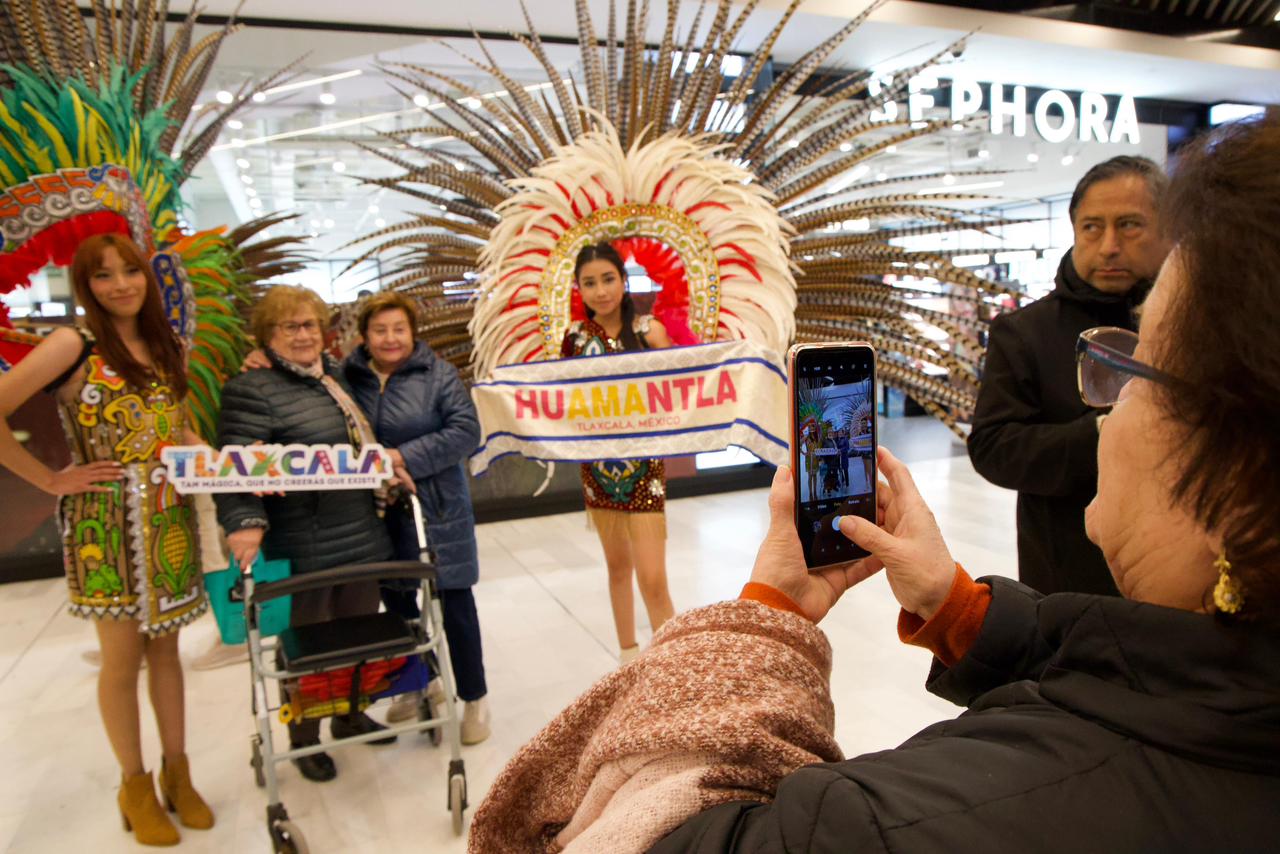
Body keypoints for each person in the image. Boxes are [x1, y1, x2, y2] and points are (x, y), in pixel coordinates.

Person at [467, 115, 1280, 852]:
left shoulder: (904, 824)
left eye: (1135, 368)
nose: (1107, 404)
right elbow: (1137, 663)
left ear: (1243, 482)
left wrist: (762, 622)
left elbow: (643, 833)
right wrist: (959, 607)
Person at [0, 234, 213, 846]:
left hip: (169, 519)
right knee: (122, 660)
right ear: (83, 286)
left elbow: (181, 428)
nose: (120, 285)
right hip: (104, 526)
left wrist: (228, 466)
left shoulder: (164, 343)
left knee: (168, 654)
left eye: (130, 272)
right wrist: (50, 479)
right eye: (102, 276)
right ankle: (134, 784)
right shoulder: (73, 345)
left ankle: (179, 773)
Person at [215, 285, 396, 784]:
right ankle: (305, 736)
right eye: (289, 327)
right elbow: (235, 467)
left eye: (310, 325)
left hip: (360, 532)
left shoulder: (334, 377)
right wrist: (242, 523)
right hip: (302, 540)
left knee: (358, 633)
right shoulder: (251, 389)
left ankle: (350, 713)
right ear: (267, 337)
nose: (302, 335)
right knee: (308, 645)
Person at [968, 155, 1171, 596]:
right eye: (1092, 227)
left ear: (1168, 230)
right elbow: (992, 447)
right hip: (1071, 583)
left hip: (1187, 587)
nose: (1109, 246)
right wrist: (1105, 432)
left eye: (1130, 225)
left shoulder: (1200, 326)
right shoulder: (1024, 332)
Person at [342, 291, 492, 745]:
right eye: (380, 330)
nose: (390, 339)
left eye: (398, 329)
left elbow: (466, 431)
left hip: (437, 509)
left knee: (455, 606)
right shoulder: (347, 379)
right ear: (365, 336)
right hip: (377, 513)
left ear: (413, 332)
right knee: (400, 606)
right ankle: (422, 684)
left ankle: (474, 699)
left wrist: (400, 456)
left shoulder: (438, 376)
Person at [561, 242, 675, 663]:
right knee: (617, 569)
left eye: (608, 279)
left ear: (624, 281)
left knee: (653, 577)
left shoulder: (648, 330)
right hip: (597, 468)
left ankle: (668, 666)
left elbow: (679, 390)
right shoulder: (574, 339)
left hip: (645, 466)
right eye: (589, 282)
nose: (601, 290)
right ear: (579, 288)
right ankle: (628, 660)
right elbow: (563, 400)